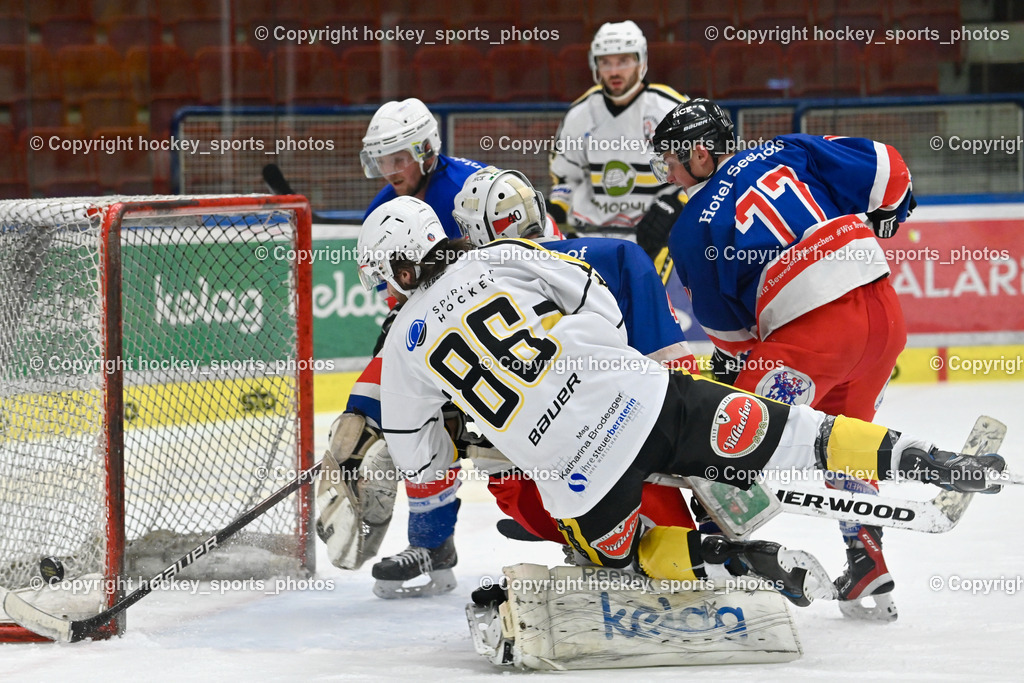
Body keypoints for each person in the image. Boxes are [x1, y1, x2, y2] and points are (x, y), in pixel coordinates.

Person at [359, 195, 1005, 607]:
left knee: (622, 556)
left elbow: (422, 464)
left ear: (395, 268)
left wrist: (475, 432)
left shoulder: (400, 352)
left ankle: (730, 558)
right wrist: (594, 366)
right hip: (647, 398)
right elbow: (592, 294)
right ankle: (926, 457)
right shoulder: (499, 255)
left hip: (582, 478)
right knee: (800, 431)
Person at [650, 98, 917, 620]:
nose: (669, 171)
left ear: (701, 155)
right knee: (846, 439)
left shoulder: (690, 227)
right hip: (885, 317)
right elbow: (890, 170)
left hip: (815, 336)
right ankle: (868, 565)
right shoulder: (787, 149)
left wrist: (757, 365)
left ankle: (727, 570)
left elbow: (731, 336)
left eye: (672, 158)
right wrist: (891, 214)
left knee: (717, 436)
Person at [317, 99, 485, 597]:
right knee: (357, 431)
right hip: (425, 335)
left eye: (399, 158)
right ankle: (429, 544)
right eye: (382, 159)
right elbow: (395, 294)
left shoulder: (471, 190)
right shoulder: (385, 210)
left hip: (485, 334)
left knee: (447, 435)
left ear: (427, 150)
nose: (390, 170)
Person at [548, 20, 688, 265]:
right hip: (587, 239)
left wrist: (674, 205)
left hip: (652, 242)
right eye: (606, 62)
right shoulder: (580, 113)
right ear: (595, 65)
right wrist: (551, 214)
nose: (614, 71)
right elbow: (565, 179)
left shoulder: (670, 109)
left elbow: (701, 171)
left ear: (641, 61)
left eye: (623, 61)